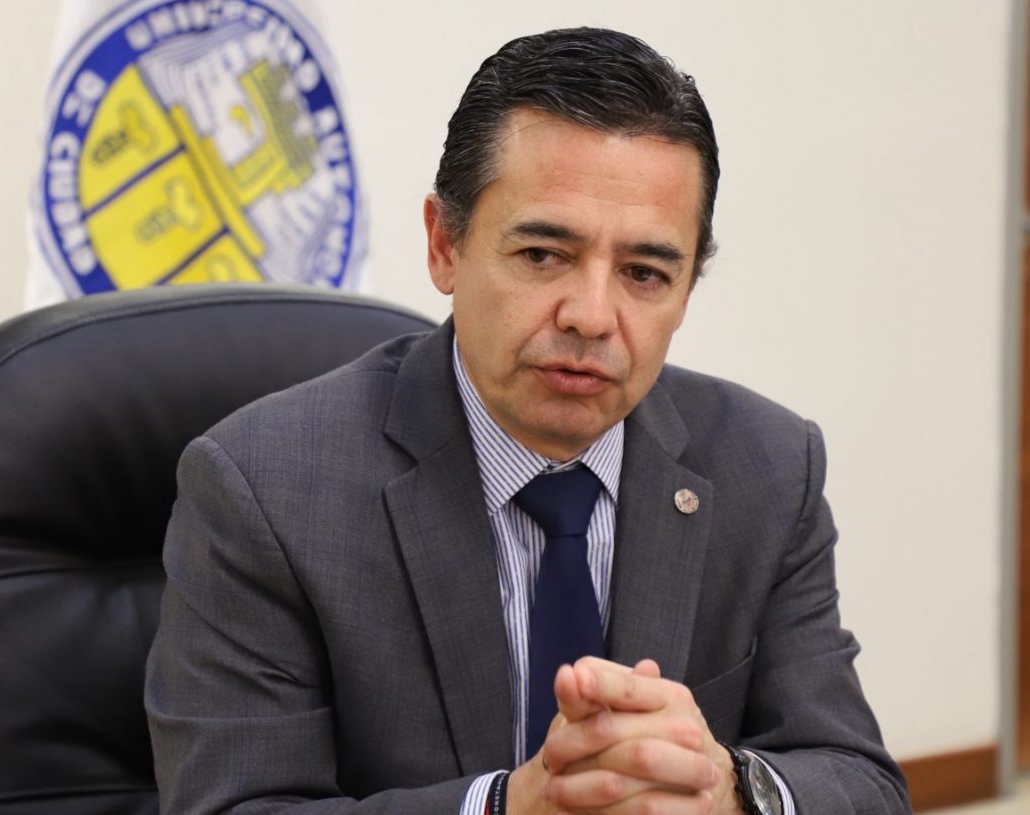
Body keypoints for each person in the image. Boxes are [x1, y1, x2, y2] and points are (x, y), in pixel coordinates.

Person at [145, 27, 911, 815]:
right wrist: (504, 807)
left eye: (645, 272)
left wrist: (731, 788)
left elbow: (862, 781)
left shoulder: (768, 466)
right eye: (543, 254)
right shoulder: (264, 488)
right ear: (445, 245)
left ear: (688, 288)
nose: (591, 315)